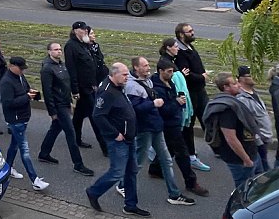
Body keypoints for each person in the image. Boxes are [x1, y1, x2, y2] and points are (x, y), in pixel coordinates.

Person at [121, 56, 194, 206]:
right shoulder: (131, 86)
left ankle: (174, 194)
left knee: (166, 160)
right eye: (145, 65)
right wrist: (153, 104)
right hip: (145, 129)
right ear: (136, 68)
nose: (148, 68)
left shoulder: (147, 81)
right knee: (138, 162)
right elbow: (136, 109)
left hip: (156, 126)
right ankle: (122, 185)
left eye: (148, 65)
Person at [85, 63, 147, 217]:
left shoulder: (119, 86)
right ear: (114, 74)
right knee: (117, 172)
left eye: (127, 74)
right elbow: (98, 116)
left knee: (131, 172)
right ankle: (93, 191)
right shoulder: (106, 92)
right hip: (118, 140)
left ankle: (131, 205)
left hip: (129, 137)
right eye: (124, 75)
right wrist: (114, 134)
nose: (127, 77)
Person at [150, 57, 210, 196]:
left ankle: (155, 169)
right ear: (160, 71)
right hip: (168, 124)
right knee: (182, 154)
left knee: (169, 149)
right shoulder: (157, 88)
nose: (172, 74)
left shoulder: (169, 82)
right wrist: (177, 103)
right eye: (169, 71)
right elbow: (163, 109)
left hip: (174, 122)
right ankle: (191, 182)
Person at [39, 41, 94, 176]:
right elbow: (47, 92)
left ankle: (44, 153)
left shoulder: (61, 65)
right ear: (49, 52)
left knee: (56, 128)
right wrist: (52, 111)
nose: (59, 51)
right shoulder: (47, 69)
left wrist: (72, 96)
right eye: (56, 49)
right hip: (58, 106)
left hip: (65, 102)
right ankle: (78, 164)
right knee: (71, 133)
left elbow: (66, 83)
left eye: (60, 49)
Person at [202, 73, 258, 190]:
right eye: (234, 83)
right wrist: (246, 159)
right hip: (239, 159)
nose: (238, 85)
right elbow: (230, 138)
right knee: (244, 189)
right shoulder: (227, 109)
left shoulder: (233, 102)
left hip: (250, 152)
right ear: (226, 87)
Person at [1, 56, 49, 190]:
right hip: (15, 120)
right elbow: (8, 103)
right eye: (21, 68)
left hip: (23, 117)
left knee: (14, 145)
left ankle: (7, 168)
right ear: (12, 66)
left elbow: (26, 89)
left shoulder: (20, 77)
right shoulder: (7, 82)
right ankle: (35, 180)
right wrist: (26, 97)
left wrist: (33, 93)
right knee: (24, 150)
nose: (23, 71)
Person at [174, 22, 212, 172]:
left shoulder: (189, 47)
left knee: (208, 118)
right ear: (181, 35)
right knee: (189, 125)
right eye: (189, 31)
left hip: (200, 91)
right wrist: (202, 77)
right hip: (191, 93)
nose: (193, 32)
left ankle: (217, 146)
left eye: (192, 30)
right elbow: (187, 76)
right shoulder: (181, 53)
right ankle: (191, 156)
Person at [66, 21, 106, 154]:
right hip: (83, 88)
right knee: (95, 116)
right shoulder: (71, 46)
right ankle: (105, 147)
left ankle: (74, 139)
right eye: (82, 30)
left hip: (91, 85)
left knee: (78, 115)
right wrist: (75, 90)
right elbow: (72, 69)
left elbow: (93, 63)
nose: (85, 32)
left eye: (86, 30)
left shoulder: (84, 45)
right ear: (76, 31)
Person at [237, 65, 273, 173]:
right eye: (250, 75)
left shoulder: (254, 93)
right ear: (242, 79)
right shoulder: (242, 99)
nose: (254, 77)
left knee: (264, 164)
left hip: (264, 137)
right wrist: (258, 139)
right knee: (262, 169)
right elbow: (248, 121)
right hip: (258, 140)